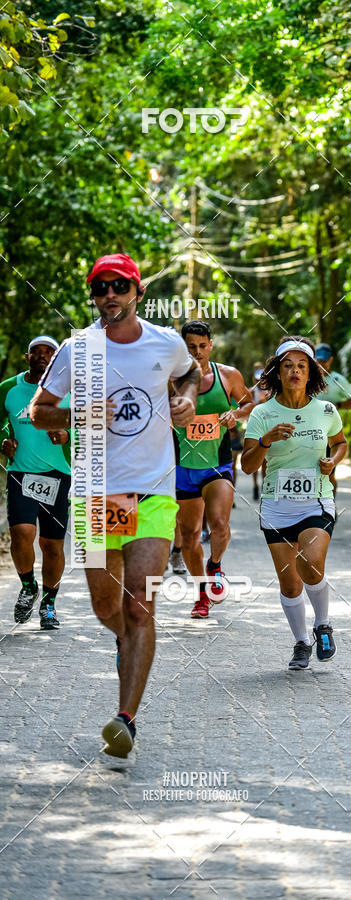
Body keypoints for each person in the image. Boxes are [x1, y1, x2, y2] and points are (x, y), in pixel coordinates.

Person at [30, 253, 199, 759]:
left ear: (137, 291)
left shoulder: (166, 343)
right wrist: (79, 412)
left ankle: (126, 719)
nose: (110, 295)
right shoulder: (76, 348)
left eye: (119, 285)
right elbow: (37, 412)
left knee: (138, 605)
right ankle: (125, 645)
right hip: (95, 495)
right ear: (94, 296)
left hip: (152, 491)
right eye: (100, 287)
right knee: (108, 608)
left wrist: (187, 396)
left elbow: (195, 373)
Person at [241, 336, 348, 670]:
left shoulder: (326, 410)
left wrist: (333, 462)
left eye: (302, 365)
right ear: (278, 371)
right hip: (276, 505)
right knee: (289, 583)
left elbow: (341, 443)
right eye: (288, 365)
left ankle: (323, 624)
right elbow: (247, 465)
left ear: (311, 372)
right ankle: (302, 642)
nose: (295, 371)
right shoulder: (262, 413)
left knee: (311, 562)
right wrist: (265, 441)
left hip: (316, 501)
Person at [172, 321, 254, 619]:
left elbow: (250, 403)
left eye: (202, 346)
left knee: (218, 523)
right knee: (190, 535)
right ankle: (201, 593)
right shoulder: (171, 378)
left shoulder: (228, 375)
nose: (197, 352)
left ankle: (215, 563)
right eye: (191, 347)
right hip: (183, 468)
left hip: (217, 464)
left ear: (211, 345)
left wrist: (236, 414)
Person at [0, 336, 71, 630]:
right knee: (20, 535)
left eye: (49, 352)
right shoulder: (8, 389)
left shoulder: (70, 390)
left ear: (56, 359)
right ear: (26, 357)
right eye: (36, 352)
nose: (43, 356)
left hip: (58, 475)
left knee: (52, 546)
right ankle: (28, 586)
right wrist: (3, 441)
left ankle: (49, 605)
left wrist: (69, 436)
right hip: (21, 474)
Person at [315, 343, 351, 496]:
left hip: (330, 434)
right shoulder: (306, 378)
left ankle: (330, 507)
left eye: (324, 361)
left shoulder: (338, 379)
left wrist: (338, 404)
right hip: (308, 432)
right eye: (318, 360)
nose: (321, 364)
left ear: (331, 360)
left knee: (329, 473)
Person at [250, 361, 269, 500]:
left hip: (267, 428)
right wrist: (258, 404)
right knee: (254, 458)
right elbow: (246, 409)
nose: (260, 382)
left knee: (265, 460)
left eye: (262, 379)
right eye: (258, 380)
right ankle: (255, 484)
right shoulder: (251, 391)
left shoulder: (271, 392)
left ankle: (264, 485)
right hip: (255, 428)